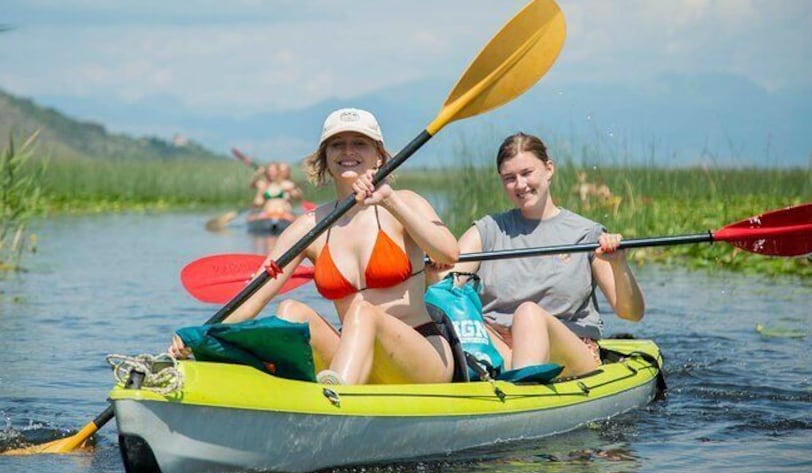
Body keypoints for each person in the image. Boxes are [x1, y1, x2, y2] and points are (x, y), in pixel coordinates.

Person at [171, 107, 459, 385]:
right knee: (291, 310)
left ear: (379, 158)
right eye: (337, 145)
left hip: (421, 352)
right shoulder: (308, 227)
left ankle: (333, 398)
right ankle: (288, 391)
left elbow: (448, 253)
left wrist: (389, 201)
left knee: (364, 311)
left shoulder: (405, 202)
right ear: (325, 158)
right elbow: (254, 297)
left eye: (359, 143)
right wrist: (200, 337)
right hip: (354, 353)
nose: (348, 151)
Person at [433, 132, 644, 378]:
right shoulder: (487, 230)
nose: (520, 185)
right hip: (500, 346)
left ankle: (521, 398)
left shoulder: (587, 234)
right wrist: (430, 269)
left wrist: (619, 264)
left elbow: (631, 313)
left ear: (549, 169)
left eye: (526, 173)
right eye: (509, 178)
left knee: (528, 313)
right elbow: (445, 289)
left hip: (567, 350)